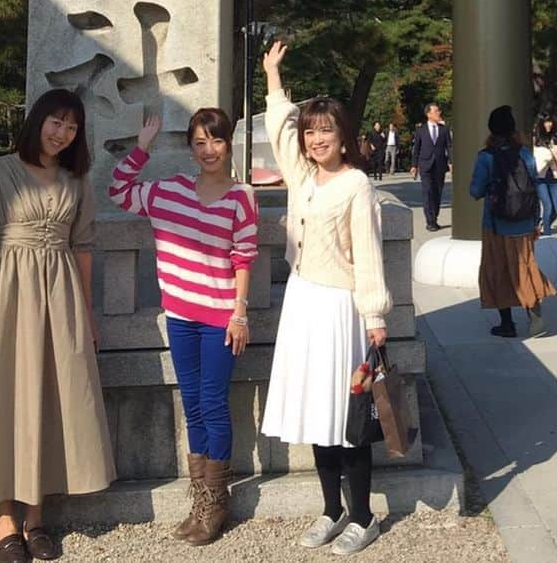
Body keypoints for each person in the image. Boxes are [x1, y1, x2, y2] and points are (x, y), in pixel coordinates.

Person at [0, 90, 115, 563]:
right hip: (8, 296)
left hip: (60, 298)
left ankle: (36, 518)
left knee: (49, 396)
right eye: (56, 122)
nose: (62, 133)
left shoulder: (75, 179)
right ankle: (4, 523)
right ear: (38, 119)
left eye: (72, 127)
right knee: (4, 397)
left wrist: (86, 314)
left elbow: (82, 246)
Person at [260, 41, 391, 556]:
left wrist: (376, 316)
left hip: (341, 306)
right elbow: (278, 129)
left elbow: (369, 255)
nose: (316, 139)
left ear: (344, 136)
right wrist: (273, 76)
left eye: (326, 130)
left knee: (348, 414)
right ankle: (331, 509)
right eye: (310, 131)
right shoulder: (302, 177)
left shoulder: (356, 185)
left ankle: (363, 516)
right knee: (318, 412)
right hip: (302, 301)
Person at [108, 106, 258, 544]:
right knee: (192, 405)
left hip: (220, 319)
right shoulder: (168, 192)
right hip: (180, 315)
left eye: (216, 140)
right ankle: (200, 500)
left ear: (229, 143)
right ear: (190, 148)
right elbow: (119, 190)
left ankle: (216, 501)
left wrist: (240, 311)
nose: (208, 149)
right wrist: (142, 147)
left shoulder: (241, 196)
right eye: (199, 141)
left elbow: (243, 257)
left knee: (213, 403)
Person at [469, 105, 556, 338]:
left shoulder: (486, 157)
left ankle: (506, 323)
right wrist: (537, 219)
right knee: (525, 267)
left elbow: (475, 190)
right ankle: (535, 316)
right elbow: (535, 184)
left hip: (495, 224)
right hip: (524, 222)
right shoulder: (525, 153)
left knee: (497, 269)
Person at [410, 102, 451, 232]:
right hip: (425, 165)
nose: (439, 113)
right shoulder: (421, 130)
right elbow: (416, 149)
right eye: (436, 111)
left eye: (439, 111)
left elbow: (449, 147)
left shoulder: (444, 129)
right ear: (429, 114)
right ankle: (430, 221)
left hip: (440, 165)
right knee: (427, 192)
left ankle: (434, 217)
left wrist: (452, 162)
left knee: (437, 192)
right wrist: (414, 165)